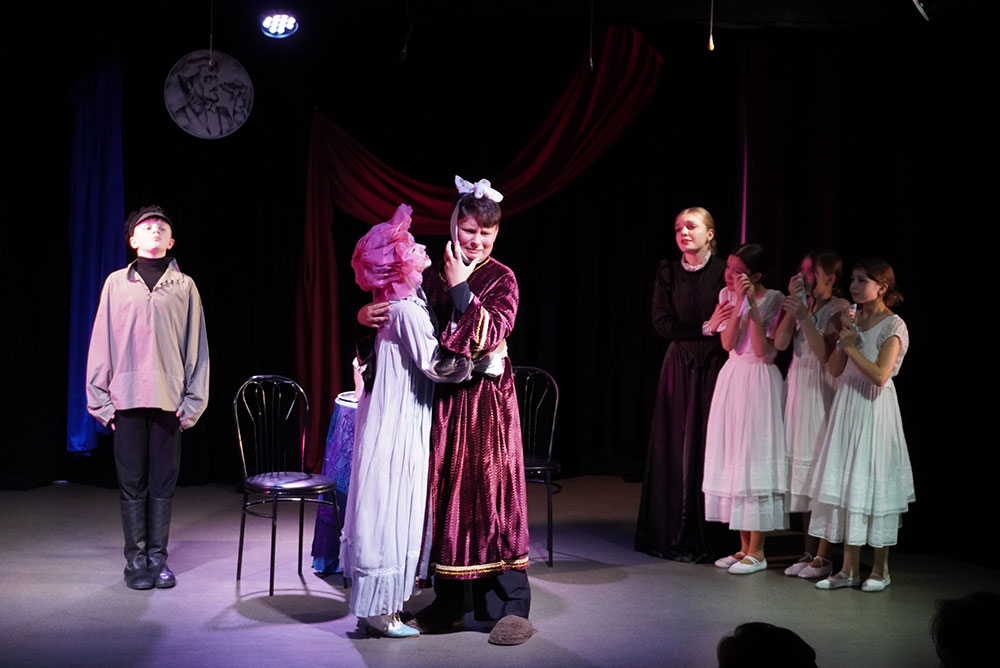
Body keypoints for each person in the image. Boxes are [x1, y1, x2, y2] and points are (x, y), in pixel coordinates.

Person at [359, 176, 534, 645]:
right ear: (455, 225)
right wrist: (366, 317)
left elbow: (486, 335)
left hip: (486, 410)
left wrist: (461, 290)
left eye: (486, 233)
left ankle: (509, 605)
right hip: (440, 404)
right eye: (469, 230)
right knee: (445, 499)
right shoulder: (431, 273)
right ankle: (451, 602)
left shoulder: (501, 278)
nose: (476, 240)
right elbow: (417, 338)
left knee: (492, 498)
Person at [339, 204, 473, 638]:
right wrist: (479, 360)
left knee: (381, 504)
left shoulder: (391, 304)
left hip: (388, 416)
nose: (420, 252)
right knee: (392, 507)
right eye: (410, 247)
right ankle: (382, 611)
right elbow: (436, 365)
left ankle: (374, 606)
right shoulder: (405, 310)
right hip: (399, 420)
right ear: (395, 263)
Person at [86, 205, 209, 590]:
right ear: (132, 240)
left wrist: (192, 403)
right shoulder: (116, 284)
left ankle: (158, 558)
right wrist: (102, 404)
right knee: (132, 482)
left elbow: (196, 347)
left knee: (162, 481)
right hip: (125, 399)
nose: (155, 230)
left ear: (171, 241)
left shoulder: (184, 286)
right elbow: (101, 342)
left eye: (162, 227)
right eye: (146, 226)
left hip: (168, 399)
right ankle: (135, 560)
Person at [807, 258, 914, 592]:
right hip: (847, 403)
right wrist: (844, 339)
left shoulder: (893, 324)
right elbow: (835, 368)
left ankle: (880, 570)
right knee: (848, 485)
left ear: (882, 287)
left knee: (873, 484)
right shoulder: (852, 317)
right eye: (853, 279)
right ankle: (848, 569)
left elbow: (881, 375)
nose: (854, 286)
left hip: (873, 408)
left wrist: (853, 347)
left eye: (863, 281)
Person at [635, 206, 730, 562]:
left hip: (716, 364)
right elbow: (661, 323)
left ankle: (713, 534)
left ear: (710, 234)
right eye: (678, 228)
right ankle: (672, 530)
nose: (684, 233)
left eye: (691, 226)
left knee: (709, 444)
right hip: (679, 364)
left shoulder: (725, 271)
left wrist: (717, 329)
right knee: (676, 445)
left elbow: (732, 319)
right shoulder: (668, 272)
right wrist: (705, 327)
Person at [702, 243, 788, 575]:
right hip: (733, 377)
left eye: (738, 271)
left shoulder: (774, 298)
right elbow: (727, 343)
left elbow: (764, 348)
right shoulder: (726, 295)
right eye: (729, 267)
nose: (730, 275)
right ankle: (742, 547)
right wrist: (737, 302)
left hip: (759, 377)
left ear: (756, 275)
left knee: (755, 459)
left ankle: (759, 550)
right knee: (735, 458)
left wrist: (751, 305)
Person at [773, 251, 849, 579]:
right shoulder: (804, 304)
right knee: (802, 475)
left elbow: (824, 354)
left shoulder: (838, 308)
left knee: (820, 470)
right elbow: (780, 343)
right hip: (798, 386)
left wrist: (805, 316)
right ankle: (808, 549)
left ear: (829, 278)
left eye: (810, 272)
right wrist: (794, 310)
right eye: (801, 271)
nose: (804, 278)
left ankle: (824, 554)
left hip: (822, 388)